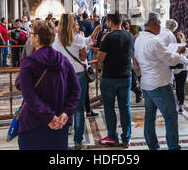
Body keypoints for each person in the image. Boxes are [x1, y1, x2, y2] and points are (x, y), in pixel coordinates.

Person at [16, 20, 81, 150]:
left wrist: (49, 117)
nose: (30, 36)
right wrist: (66, 113)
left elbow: (30, 96)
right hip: (60, 123)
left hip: (34, 123)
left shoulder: (29, 63)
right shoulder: (63, 60)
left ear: (37, 38)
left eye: (32, 33)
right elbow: (76, 90)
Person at [134, 13, 188, 150]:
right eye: (159, 23)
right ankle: (173, 147)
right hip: (160, 83)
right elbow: (170, 59)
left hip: (147, 83)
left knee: (150, 116)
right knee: (170, 116)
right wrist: (179, 51)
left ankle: (153, 146)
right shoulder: (155, 41)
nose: (160, 26)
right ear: (153, 24)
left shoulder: (139, 38)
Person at [52, 13, 102, 150]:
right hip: (78, 75)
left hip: (61, 75)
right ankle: (78, 142)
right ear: (70, 24)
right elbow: (83, 56)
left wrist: (96, 31)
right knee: (78, 109)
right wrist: (86, 48)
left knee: (62, 107)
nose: (78, 24)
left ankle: (61, 140)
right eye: (75, 22)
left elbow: (86, 41)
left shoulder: (55, 39)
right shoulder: (76, 38)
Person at [96, 12, 135, 148]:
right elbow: (132, 54)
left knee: (109, 108)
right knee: (125, 107)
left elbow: (100, 58)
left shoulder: (108, 37)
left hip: (109, 77)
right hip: (125, 76)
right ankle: (127, 138)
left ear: (110, 22)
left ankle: (112, 136)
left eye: (107, 22)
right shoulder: (130, 36)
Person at [122, 19, 143, 103]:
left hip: (130, 62)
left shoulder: (131, 36)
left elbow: (133, 52)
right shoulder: (130, 36)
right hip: (128, 62)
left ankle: (139, 92)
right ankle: (139, 92)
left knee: (133, 81)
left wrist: (135, 63)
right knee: (132, 81)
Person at [173, 32, 188, 113]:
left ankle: (180, 105)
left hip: (182, 70)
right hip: (177, 70)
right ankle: (180, 104)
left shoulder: (186, 50)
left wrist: (181, 57)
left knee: (180, 87)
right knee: (179, 87)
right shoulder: (174, 50)